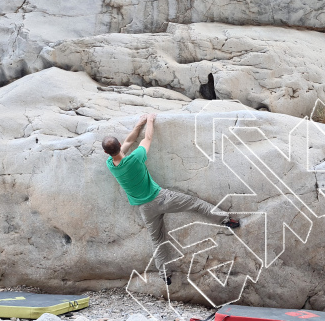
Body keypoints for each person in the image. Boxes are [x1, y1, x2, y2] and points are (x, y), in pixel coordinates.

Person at [102, 113, 240, 286]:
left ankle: (165, 275)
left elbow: (128, 142)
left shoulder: (110, 164)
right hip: (162, 198)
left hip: (145, 208)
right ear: (119, 145)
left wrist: (138, 124)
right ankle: (226, 220)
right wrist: (150, 121)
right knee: (196, 204)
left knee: (157, 240)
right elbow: (148, 137)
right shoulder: (136, 157)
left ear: (106, 152)